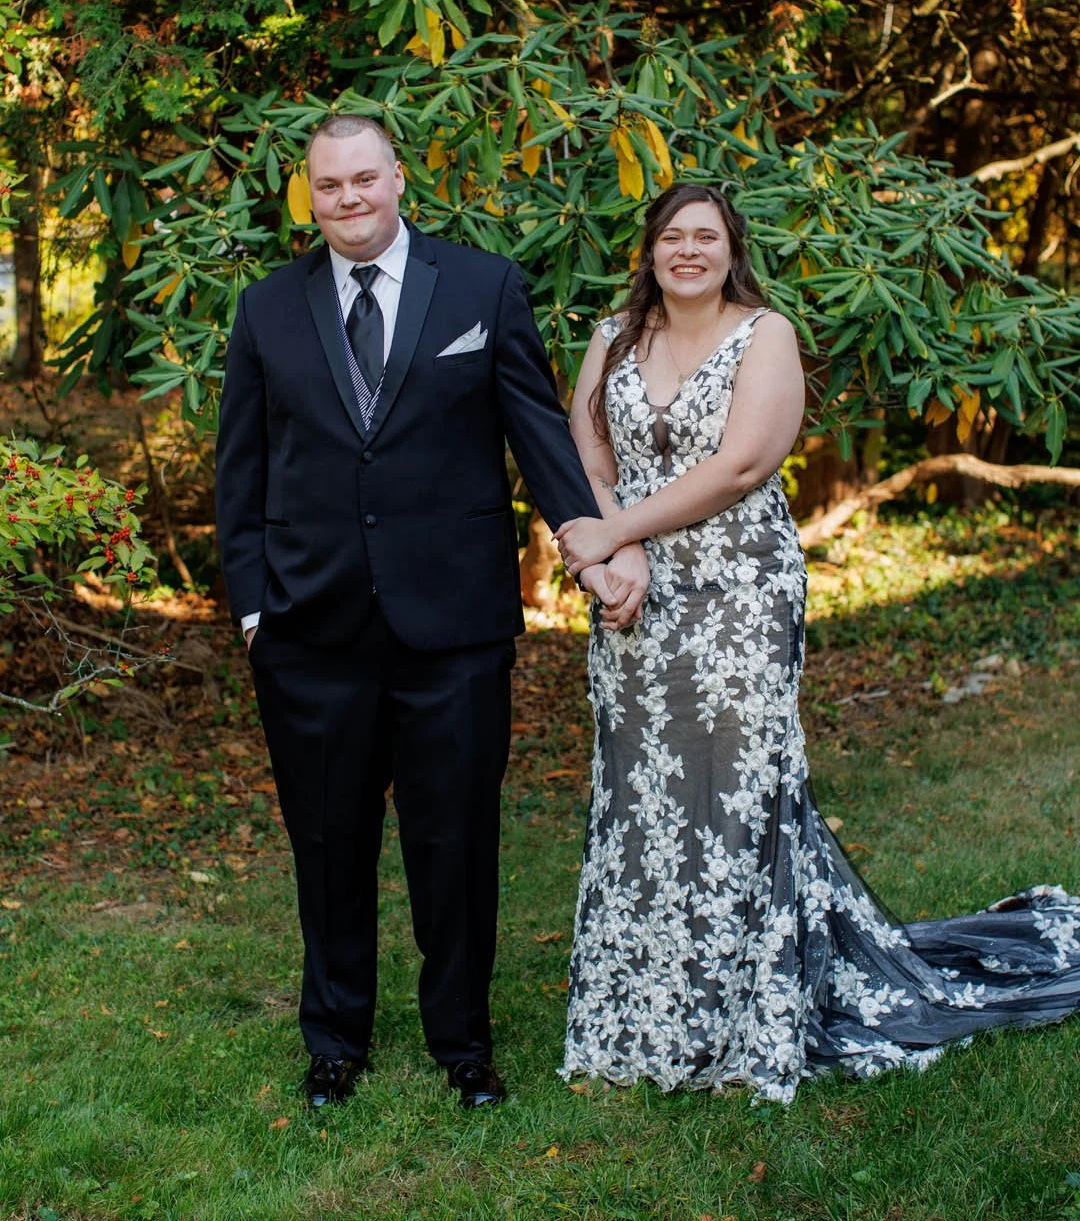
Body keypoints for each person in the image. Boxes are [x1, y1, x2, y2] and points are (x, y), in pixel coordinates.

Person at [555, 181, 1080, 1104]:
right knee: (639, 792)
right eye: (671, 235)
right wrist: (615, 553)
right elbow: (587, 455)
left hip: (740, 591)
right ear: (649, 249)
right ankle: (638, 1016)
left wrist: (616, 530)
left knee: (738, 791)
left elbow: (742, 465)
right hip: (635, 593)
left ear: (731, 249)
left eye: (705, 236)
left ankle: (746, 1020)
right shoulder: (611, 338)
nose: (687, 250)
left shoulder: (765, 334)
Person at [215, 114, 648, 1110]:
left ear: (399, 178)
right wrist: (253, 613)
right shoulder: (267, 307)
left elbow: (536, 433)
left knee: (454, 844)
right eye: (330, 185)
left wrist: (593, 545)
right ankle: (335, 1040)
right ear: (310, 195)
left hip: (454, 626)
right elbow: (240, 470)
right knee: (329, 844)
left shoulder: (482, 287)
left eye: (364, 179)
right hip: (310, 630)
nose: (349, 199)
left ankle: (462, 1043)